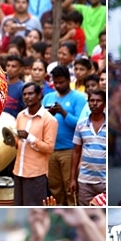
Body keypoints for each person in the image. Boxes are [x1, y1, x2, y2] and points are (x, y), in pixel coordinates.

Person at [43, 64, 87, 205]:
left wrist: (63, 112)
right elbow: (41, 121)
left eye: (61, 82)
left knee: (70, 188)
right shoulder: (47, 97)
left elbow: (80, 124)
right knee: (55, 188)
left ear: (69, 80)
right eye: (55, 82)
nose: (58, 85)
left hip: (69, 150)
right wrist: (48, 116)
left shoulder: (78, 98)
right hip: (50, 150)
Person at [10, 81, 58, 205]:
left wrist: (30, 137)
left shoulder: (49, 120)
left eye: (30, 93)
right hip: (18, 171)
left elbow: (49, 148)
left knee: (34, 208)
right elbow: (17, 144)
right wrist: (10, 139)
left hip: (36, 175)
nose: (27, 97)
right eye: (24, 94)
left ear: (39, 95)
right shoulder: (21, 115)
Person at [69, 88, 106, 206]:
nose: (94, 104)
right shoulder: (81, 125)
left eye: (98, 101)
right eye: (91, 101)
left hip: (105, 181)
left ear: (104, 104)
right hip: (85, 180)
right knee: (86, 212)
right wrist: (72, 179)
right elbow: (76, 152)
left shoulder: (110, 125)